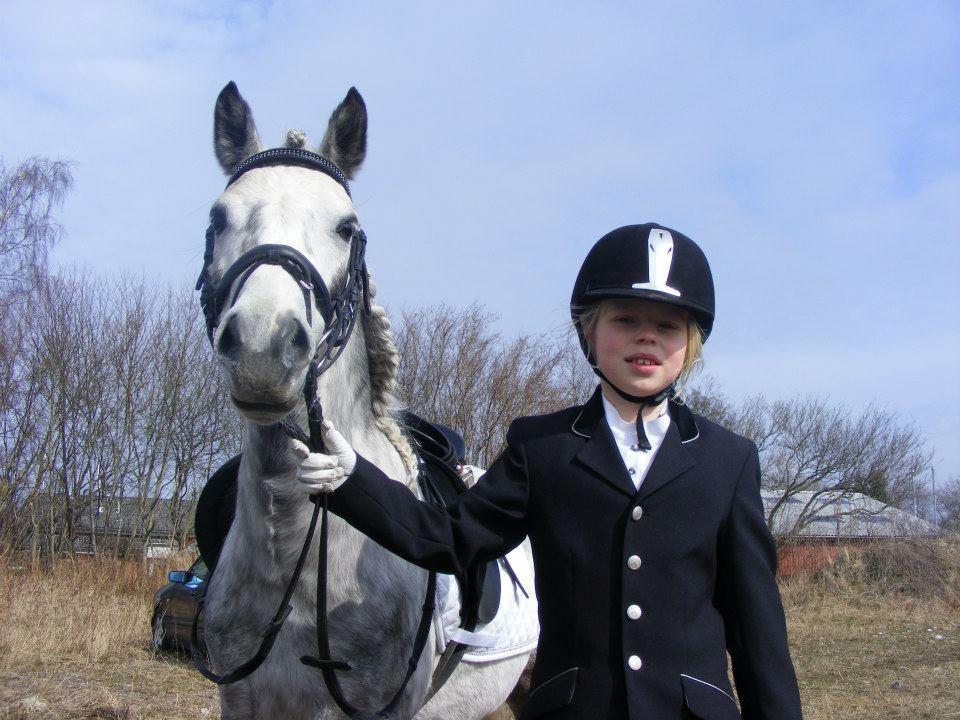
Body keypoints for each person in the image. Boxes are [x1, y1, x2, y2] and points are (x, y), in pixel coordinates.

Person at [297, 223, 803, 720]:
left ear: (690, 343)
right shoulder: (542, 448)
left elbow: (756, 629)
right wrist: (352, 480)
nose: (647, 335)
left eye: (668, 326)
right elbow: (449, 539)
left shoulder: (729, 460)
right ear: (589, 331)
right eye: (625, 319)